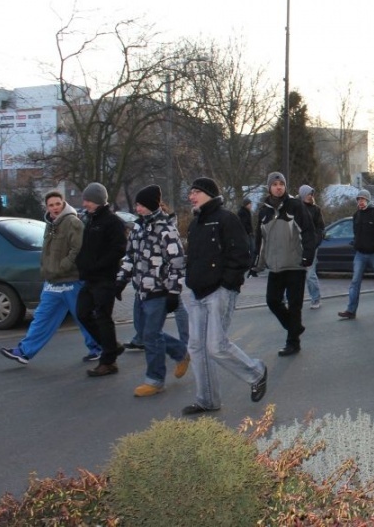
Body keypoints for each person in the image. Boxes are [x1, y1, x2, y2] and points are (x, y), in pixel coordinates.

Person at [182, 177, 267, 415]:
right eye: (191, 192)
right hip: (197, 294)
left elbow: (241, 254)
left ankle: (256, 373)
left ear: (209, 193)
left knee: (216, 346)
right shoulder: (196, 223)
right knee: (197, 348)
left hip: (219, 292)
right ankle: (207, 400)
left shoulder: (226, 219)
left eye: (196, 191)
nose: (191, 196)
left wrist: (227, 284)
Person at [0, 191, 101, 365]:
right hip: (53, 281)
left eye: (57, 204)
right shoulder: (51, 223)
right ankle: (24, 352)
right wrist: (48, 269)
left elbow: (77, 250)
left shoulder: (72, 222)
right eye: (51, 205)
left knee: (83, 317)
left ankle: (100, 348)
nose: (54, 208)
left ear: (63, 204)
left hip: (71, 280)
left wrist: (62, 267)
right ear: (46, 207)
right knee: (42, 318)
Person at [115, 185, 190, 397]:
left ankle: (155, 379)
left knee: (150, 335)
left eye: (140, 205)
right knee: (144, 332)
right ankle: (180, 352)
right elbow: (130, 257)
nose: (137, 209)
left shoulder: (166, 229)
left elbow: (176, 263)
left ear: (149, 205)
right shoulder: (138, 228)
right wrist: (121, 280)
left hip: (159, 291)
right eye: (137, 205)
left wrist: (174, 292)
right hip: (141, 290)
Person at [253, 172, 316, 356]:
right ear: (269, 187)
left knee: (295, 305)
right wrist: (257, 264)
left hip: (295, 264)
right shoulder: (264, 210)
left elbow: (308, 231)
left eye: (281, 184)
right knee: (272, 301)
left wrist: (307, 256)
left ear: (285, 186)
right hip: (275, 266)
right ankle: (294, 327)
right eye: (275, 184)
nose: (278, 187)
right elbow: (261, 240)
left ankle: (293, 342)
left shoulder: (295, 205)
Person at [76, 182, 128, 377]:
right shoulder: (89, 220)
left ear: (97, 200)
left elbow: (119, 249)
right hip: (89, 278)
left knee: (103, 317)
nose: (85, 203)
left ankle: (108, 361)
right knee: (82, 313)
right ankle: (111, 346)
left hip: (105, 278)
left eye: (88, 200)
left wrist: (99, 265)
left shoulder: (112, 222)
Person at [338, 189, 374, 320]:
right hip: (360, 254)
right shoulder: (356, 215)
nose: (360, 202)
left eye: (363, 199)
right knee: (355, 282)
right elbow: (357, 233)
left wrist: (373, 245)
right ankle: (351, 310)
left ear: (368, 200)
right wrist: (356, 243)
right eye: (359, 199)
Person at [299, 184, 325, 309]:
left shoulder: (316, 210)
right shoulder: (297, 208)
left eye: (312, 194)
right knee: (295, 274)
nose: (311, 196)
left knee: (310, 274)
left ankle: (316, 298)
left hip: (311, 246)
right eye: (309, 194)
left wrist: (316, 242)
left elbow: (320, 228)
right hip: (298, 246)